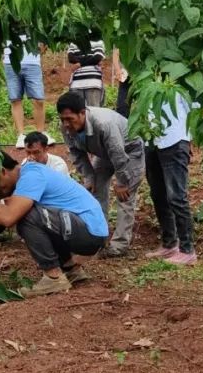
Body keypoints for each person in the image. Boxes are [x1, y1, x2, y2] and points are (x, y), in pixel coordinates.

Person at [0, 153, 108, 296]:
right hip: (89, 231)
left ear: (2, 171)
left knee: (26, 215)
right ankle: (70, 269)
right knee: (35, 215)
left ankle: (54, 278)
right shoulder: (27, 173)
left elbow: (8, 217)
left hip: (89, 232)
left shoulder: (31, 176)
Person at [57, 90, 145, 257]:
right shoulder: (65, 127)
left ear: (82, 113)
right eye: (63, 119)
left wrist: (122, 182)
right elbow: (76, 153)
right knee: (96, 191)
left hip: (129, 151)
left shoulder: (103, 124)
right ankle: (99, 237)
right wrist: (89, 177)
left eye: (70, 119)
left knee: (125, 197)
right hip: (104, 153)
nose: (66, 124)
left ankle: (119, 246)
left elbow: (118, 154)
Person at [144, 93, 196, 265]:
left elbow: (193, 107)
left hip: (175, 138)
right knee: (158, 194)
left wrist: (189, 138)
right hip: (152, 140)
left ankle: (187, 249)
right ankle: (170, 243)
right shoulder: (146, 82)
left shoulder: (179, 80)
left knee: (177, 196)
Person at [4, 36, 46, 148]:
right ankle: (21, 135)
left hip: (33, 62)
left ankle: (40, 134)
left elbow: (43, 39)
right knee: (15, 99)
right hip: (10, 62)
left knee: (39, 100)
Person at [67, 38, 106, 107]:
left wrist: (80, 63)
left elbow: (97, 57)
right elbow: (71, 58)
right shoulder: (74, 42)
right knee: (77, 109)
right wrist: (90, 59)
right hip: (76, 84)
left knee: (94, 110)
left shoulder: (98, 41)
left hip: (93, 83)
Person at [111, 47, 131, 118]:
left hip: (141, 73)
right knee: (123, 105)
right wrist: (117, 70)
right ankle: (122, 121)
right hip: (126, 74)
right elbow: (116, 52)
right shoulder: (122, 40)